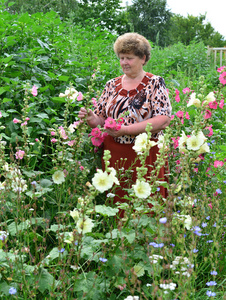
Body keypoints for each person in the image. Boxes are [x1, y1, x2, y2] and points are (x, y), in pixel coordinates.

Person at [78, 32, 172, 217]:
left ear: (143, 58)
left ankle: (149, 244)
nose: (124, 62)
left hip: (145, 154)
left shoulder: (154, 83)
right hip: (115, 154)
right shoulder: (111, 85)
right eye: (121, 58)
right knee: (118, 206)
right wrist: (92, 120)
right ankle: (119, 242)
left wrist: (126, 130)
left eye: (129, 58)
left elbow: (163, 119)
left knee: (147, 203)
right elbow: (102, 119)